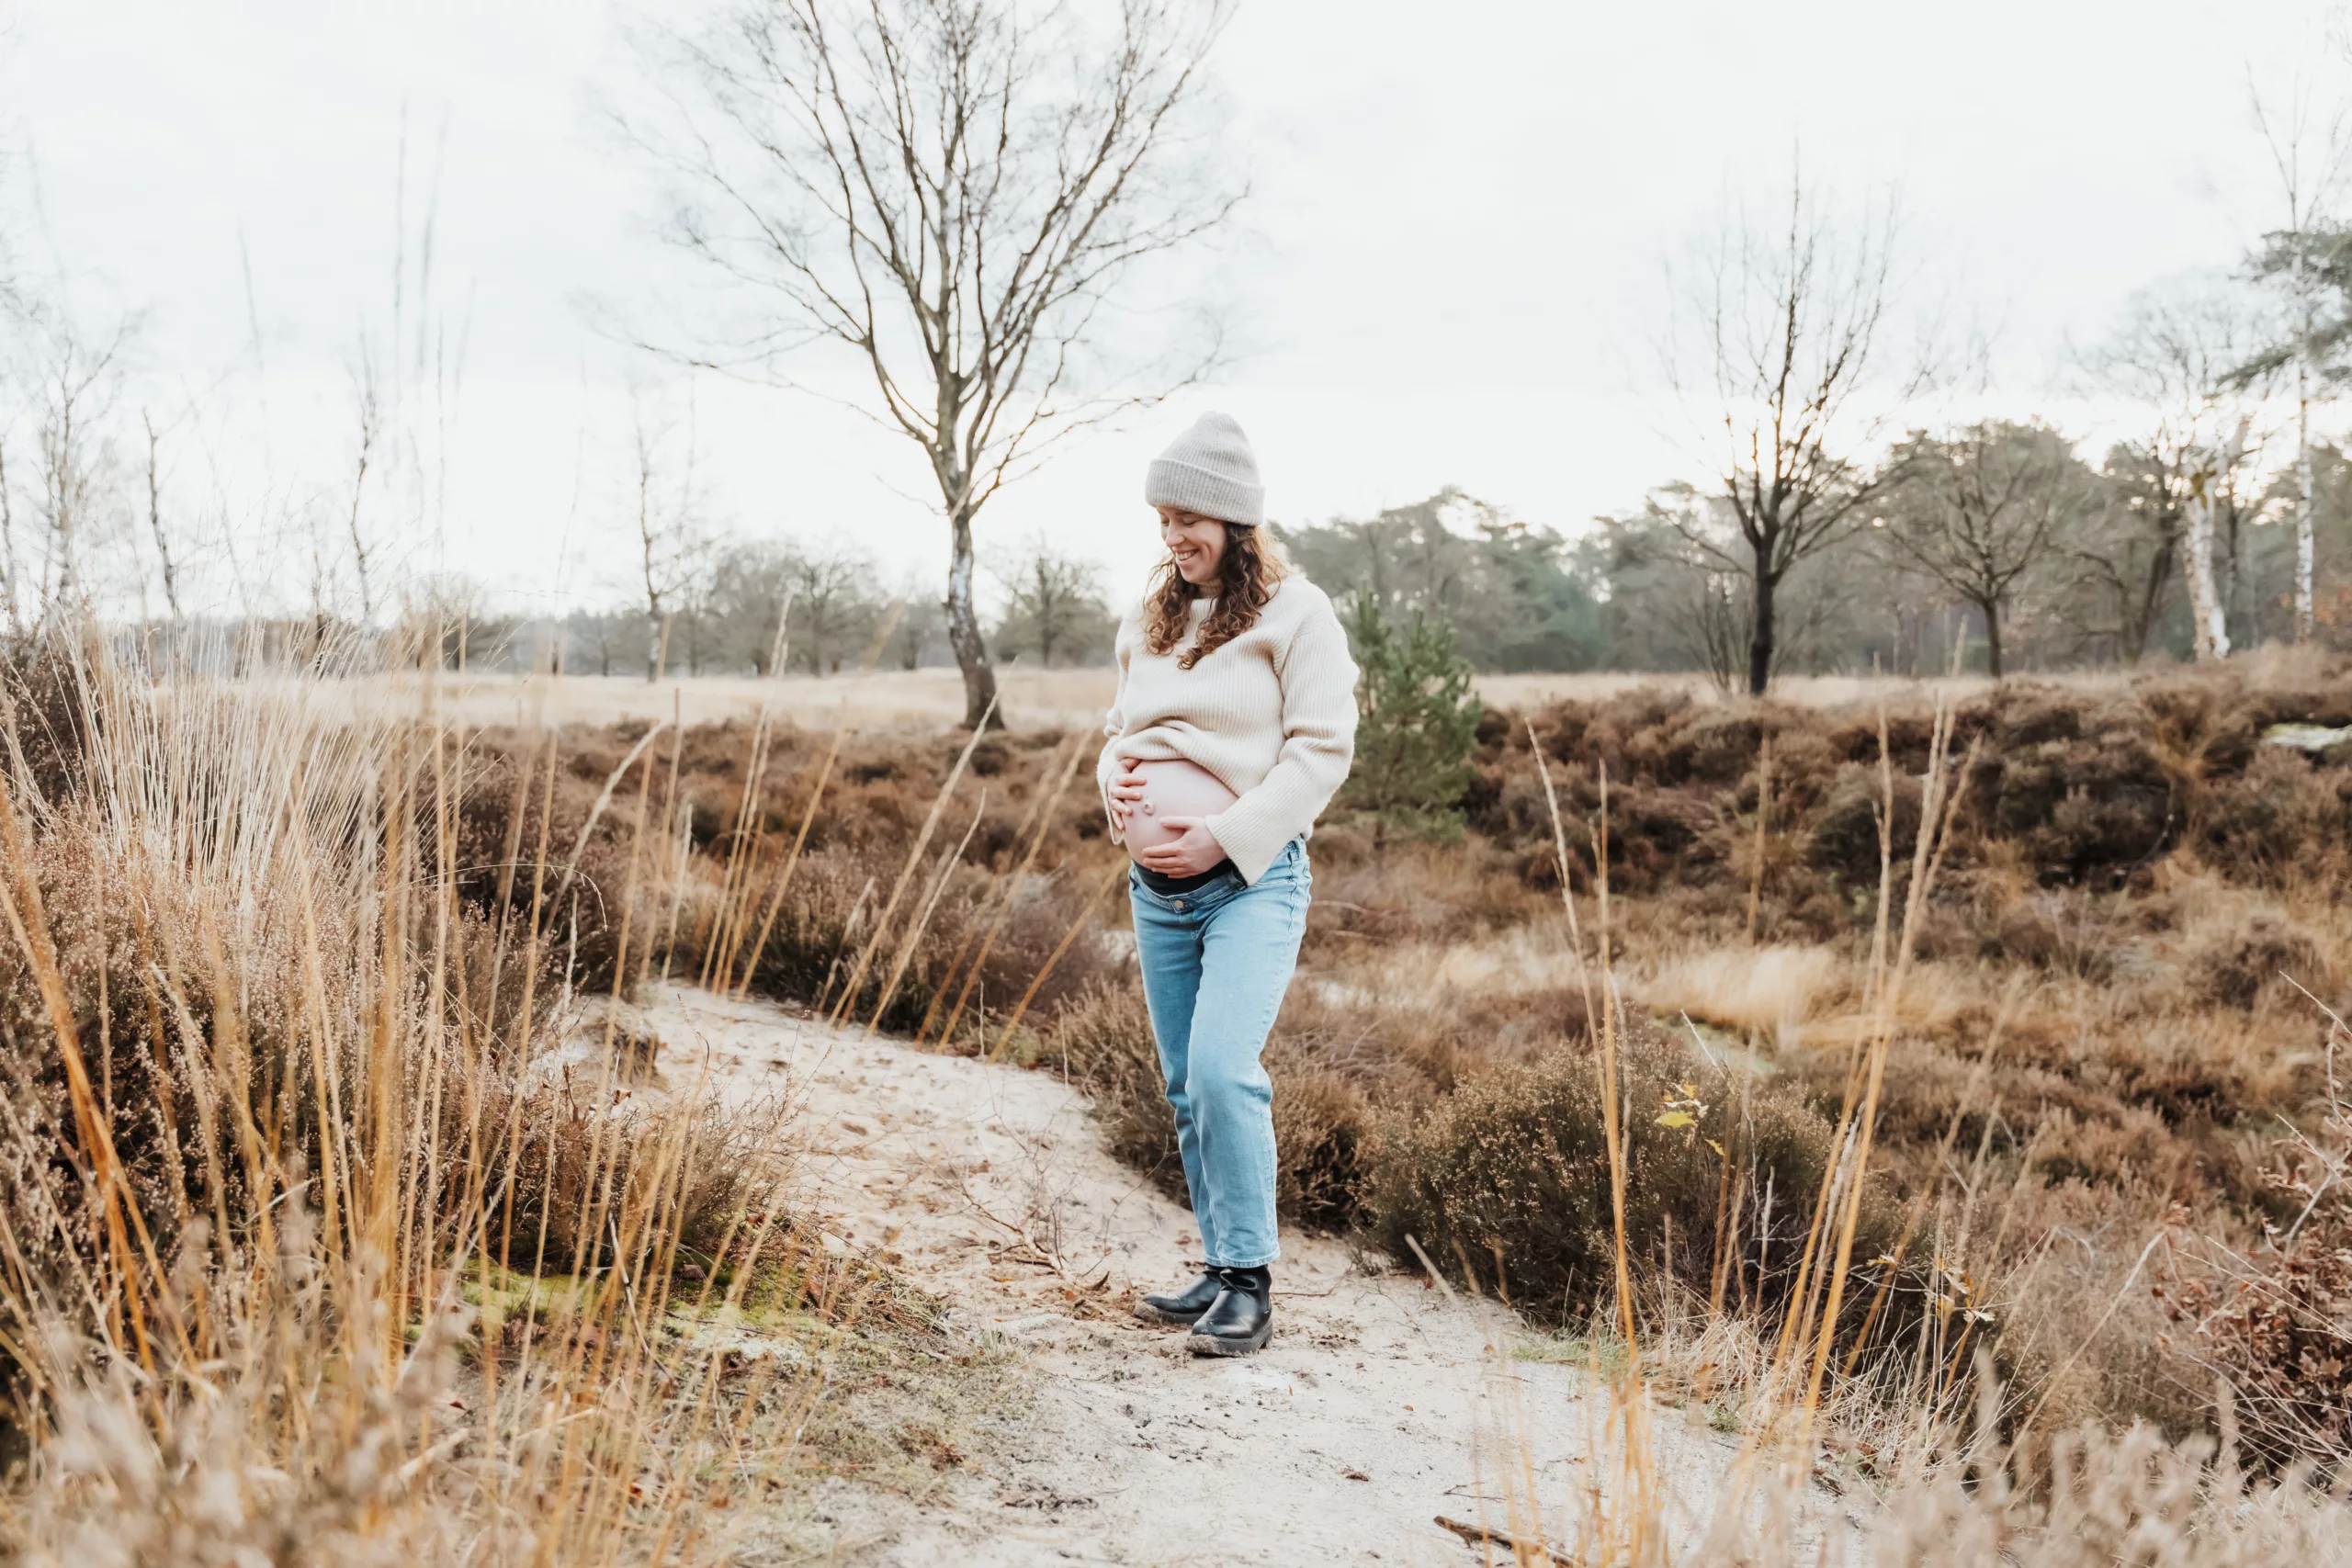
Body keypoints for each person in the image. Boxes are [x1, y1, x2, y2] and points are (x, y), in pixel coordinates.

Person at [1097, 411, 1358, 1357]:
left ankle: (1250, 1283)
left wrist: (1222, 836)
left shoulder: (1299, 614)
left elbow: (1321, 753)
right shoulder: (1149, 614)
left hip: (1251, 881)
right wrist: (1116, 792)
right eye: (1162, 520)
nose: (1173, 538)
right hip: (1155, 892)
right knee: (1182, 1085)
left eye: (1189, 519)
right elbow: (1119, 735)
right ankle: (1215, 1265)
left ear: (1235, 521)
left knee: (1221, 1072)